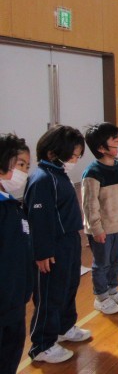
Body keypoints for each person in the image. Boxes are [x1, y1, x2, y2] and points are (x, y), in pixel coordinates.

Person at [25, 125, 89, 364]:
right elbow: (38, 220)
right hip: (52, 246)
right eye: (72, 155)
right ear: (52, 153)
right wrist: (42, 252)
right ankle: (42, 344)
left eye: (77, 156)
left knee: (69, 286)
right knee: (50, 294)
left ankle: (65, 326)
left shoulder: (58, 173)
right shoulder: (42, 179)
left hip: (69, 240)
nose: (75, 160)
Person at [82, 123, 118, 316]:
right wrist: (96, 229)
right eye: (116, 142)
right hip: (102, 229)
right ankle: (101, 297)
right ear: (101, 148)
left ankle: (113, 290)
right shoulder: (93, 173)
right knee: (102, 263)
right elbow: (90, 205)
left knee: (117, 259)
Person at [0, 134, 32, 372]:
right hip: (4, 298)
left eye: (27, 166)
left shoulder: (12, 205)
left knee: (12, 350)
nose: (24, 172)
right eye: (20, 164)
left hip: (15, 297)